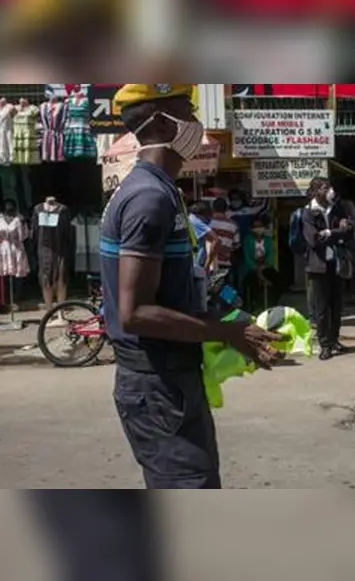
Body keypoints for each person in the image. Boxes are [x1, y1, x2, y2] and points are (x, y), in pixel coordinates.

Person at [99, 84, 282, 489]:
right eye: (189, 112)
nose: (197, 124)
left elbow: (169, 292)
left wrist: (227, 325)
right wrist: (225, 332)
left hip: (170, 378)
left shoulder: (160, 190)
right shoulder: (149, 198)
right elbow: (135, 313)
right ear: (163, 123)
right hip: (158, 386)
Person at [302, 177, 354, 360]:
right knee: (322, 308)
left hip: (336, 264)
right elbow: (313, 239)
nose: (330, 191)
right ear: (316, 191)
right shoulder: (308, 212)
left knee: (336, 306)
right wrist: (336, 234)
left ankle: (334, 340)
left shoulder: (337, 208)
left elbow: (349, 232)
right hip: (318, 266)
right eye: (325, 188)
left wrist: (330, 233)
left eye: (330, 187)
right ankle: (325, 344)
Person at [241, 214, 278, 312]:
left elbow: (270, 258)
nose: (258, 229)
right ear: (251, 228)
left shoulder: (268, 241)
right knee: (252, 282)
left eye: (260, 226)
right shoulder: (247, 240)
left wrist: (261, 270)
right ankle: (254, 306)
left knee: (277, 279)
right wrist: (258, 272)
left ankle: (273, 305)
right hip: (251, 269)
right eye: (255, 227)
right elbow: (248, 259)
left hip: (265, 268)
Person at [209, 197, 240, 283]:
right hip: (225, 262)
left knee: (210, 288)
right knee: (225, 287)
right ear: (226, 209)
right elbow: (236, 245)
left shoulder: (207, 223)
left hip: (210, 263)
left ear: (213, 208)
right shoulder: (233, 225)